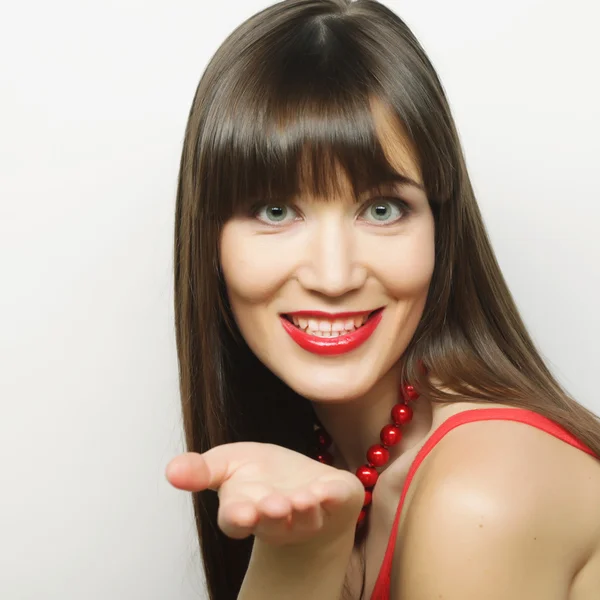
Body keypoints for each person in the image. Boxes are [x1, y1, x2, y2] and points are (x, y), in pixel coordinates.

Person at [164, 1, 600, 598]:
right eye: (276, 211)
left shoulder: (480, 496)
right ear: (208, 240)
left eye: (382, 209)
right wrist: (301, 555)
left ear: (441, 229)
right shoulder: (328, 468)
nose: (335, 275)